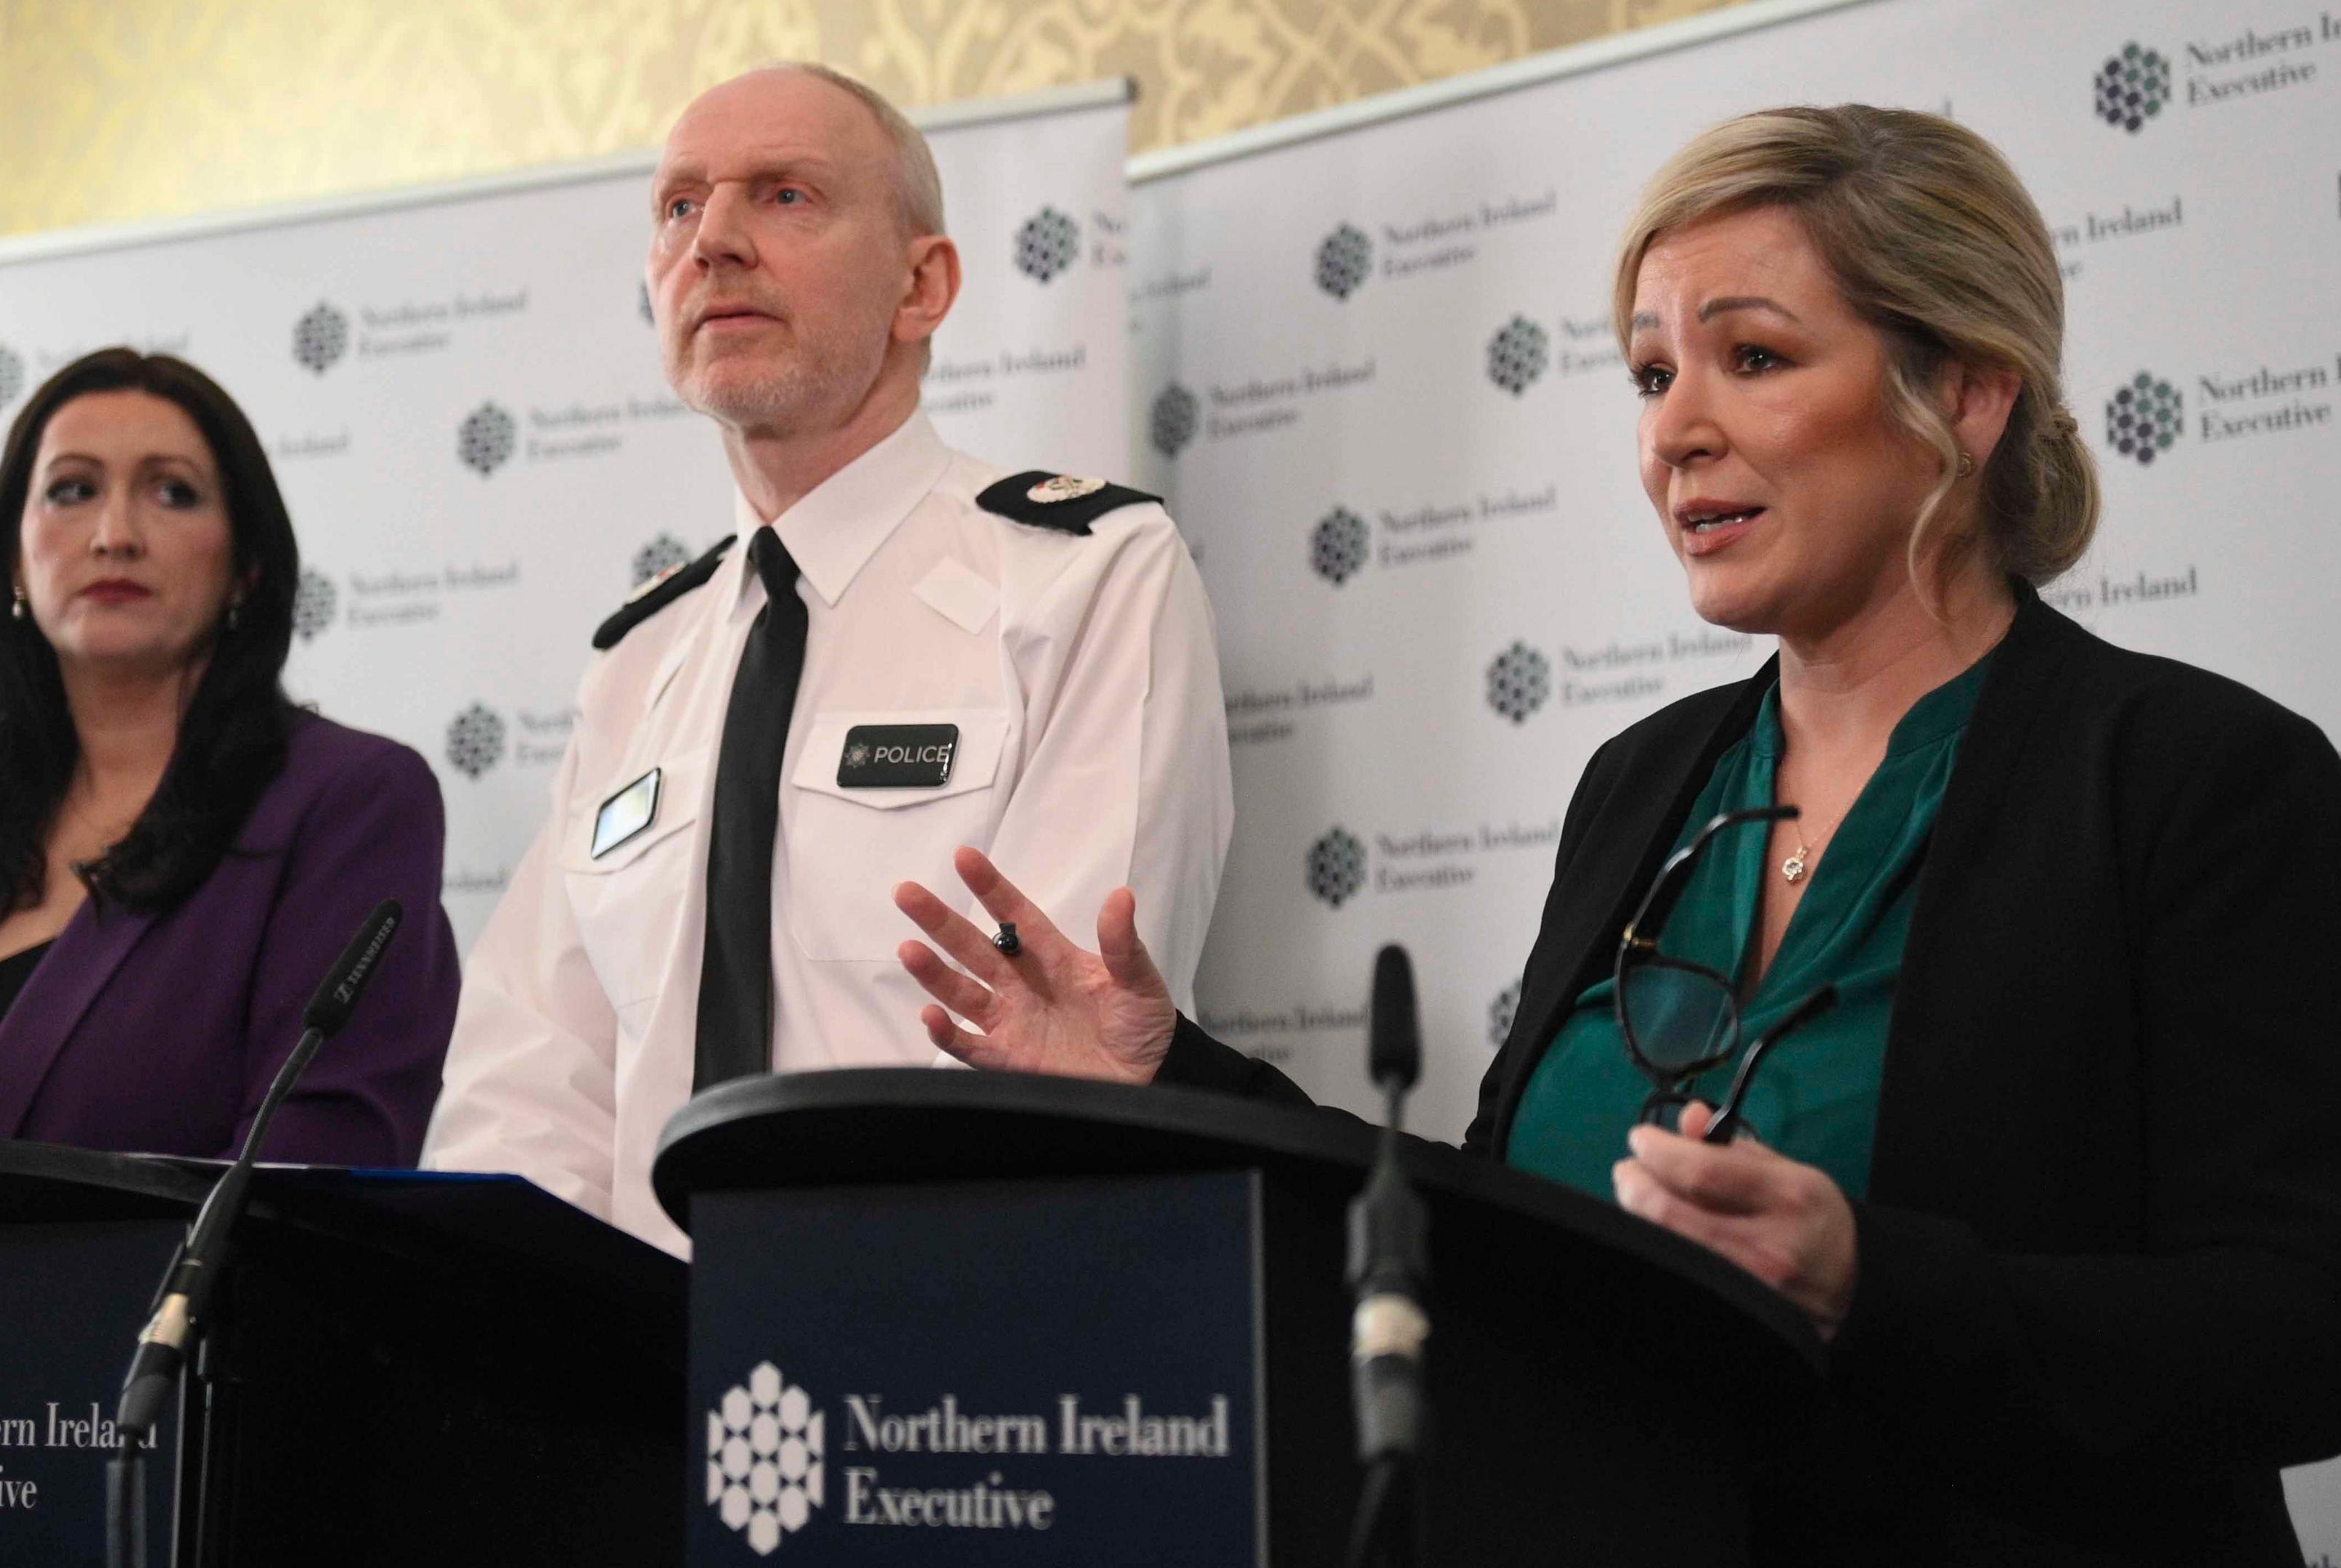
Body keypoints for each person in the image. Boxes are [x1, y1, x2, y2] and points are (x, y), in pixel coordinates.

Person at [889, 107, 2341, 1561]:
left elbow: (2300, 1323)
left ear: (1963, 395)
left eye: (1754, 358)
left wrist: (1866, 1281)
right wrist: (1173, 1081)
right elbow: (1508, 1244)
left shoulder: (2201, 783)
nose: (1674, 430)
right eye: (1652, 373)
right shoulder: (1643, 782)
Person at [422, 62, 1232, 1254]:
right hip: (635, 1378)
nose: (715, 242)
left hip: (950, 1342)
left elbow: (1062, 1055)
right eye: (679, 207)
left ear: (923, 285)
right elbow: (530, 1087)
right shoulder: (639, 664)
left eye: (786, 196)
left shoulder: (1084, 576)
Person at [0, 348, 461, 1302]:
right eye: (71, 490)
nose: (114, 533)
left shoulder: (345, 804)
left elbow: (312, 1178)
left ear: (247, 569)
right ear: (14, 562)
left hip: (126, 1425)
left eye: (172, 494)